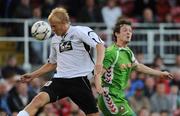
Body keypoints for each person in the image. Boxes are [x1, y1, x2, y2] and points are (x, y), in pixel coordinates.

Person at [17, 7, 105, 116]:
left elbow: (100, 45)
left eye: (54, 26)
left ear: (64, 23)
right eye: (51, 26)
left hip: (79, 80)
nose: (52, 29)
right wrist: (33, 75)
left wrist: (99, 63)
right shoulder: (55, 40)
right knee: (38, 99)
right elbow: (52, 63)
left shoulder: (80, 31)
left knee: (93, 114)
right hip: (60, 79)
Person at [95, 18, 174, 116]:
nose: (128, 33)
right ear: (117, 34)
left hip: (119, 96)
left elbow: (138, 67)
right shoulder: (112, 52)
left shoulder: (128, 52)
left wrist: (160, 73)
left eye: (130, 31)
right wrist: (98, 87)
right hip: (109, 96)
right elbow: (98, 72)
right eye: (125, 30)